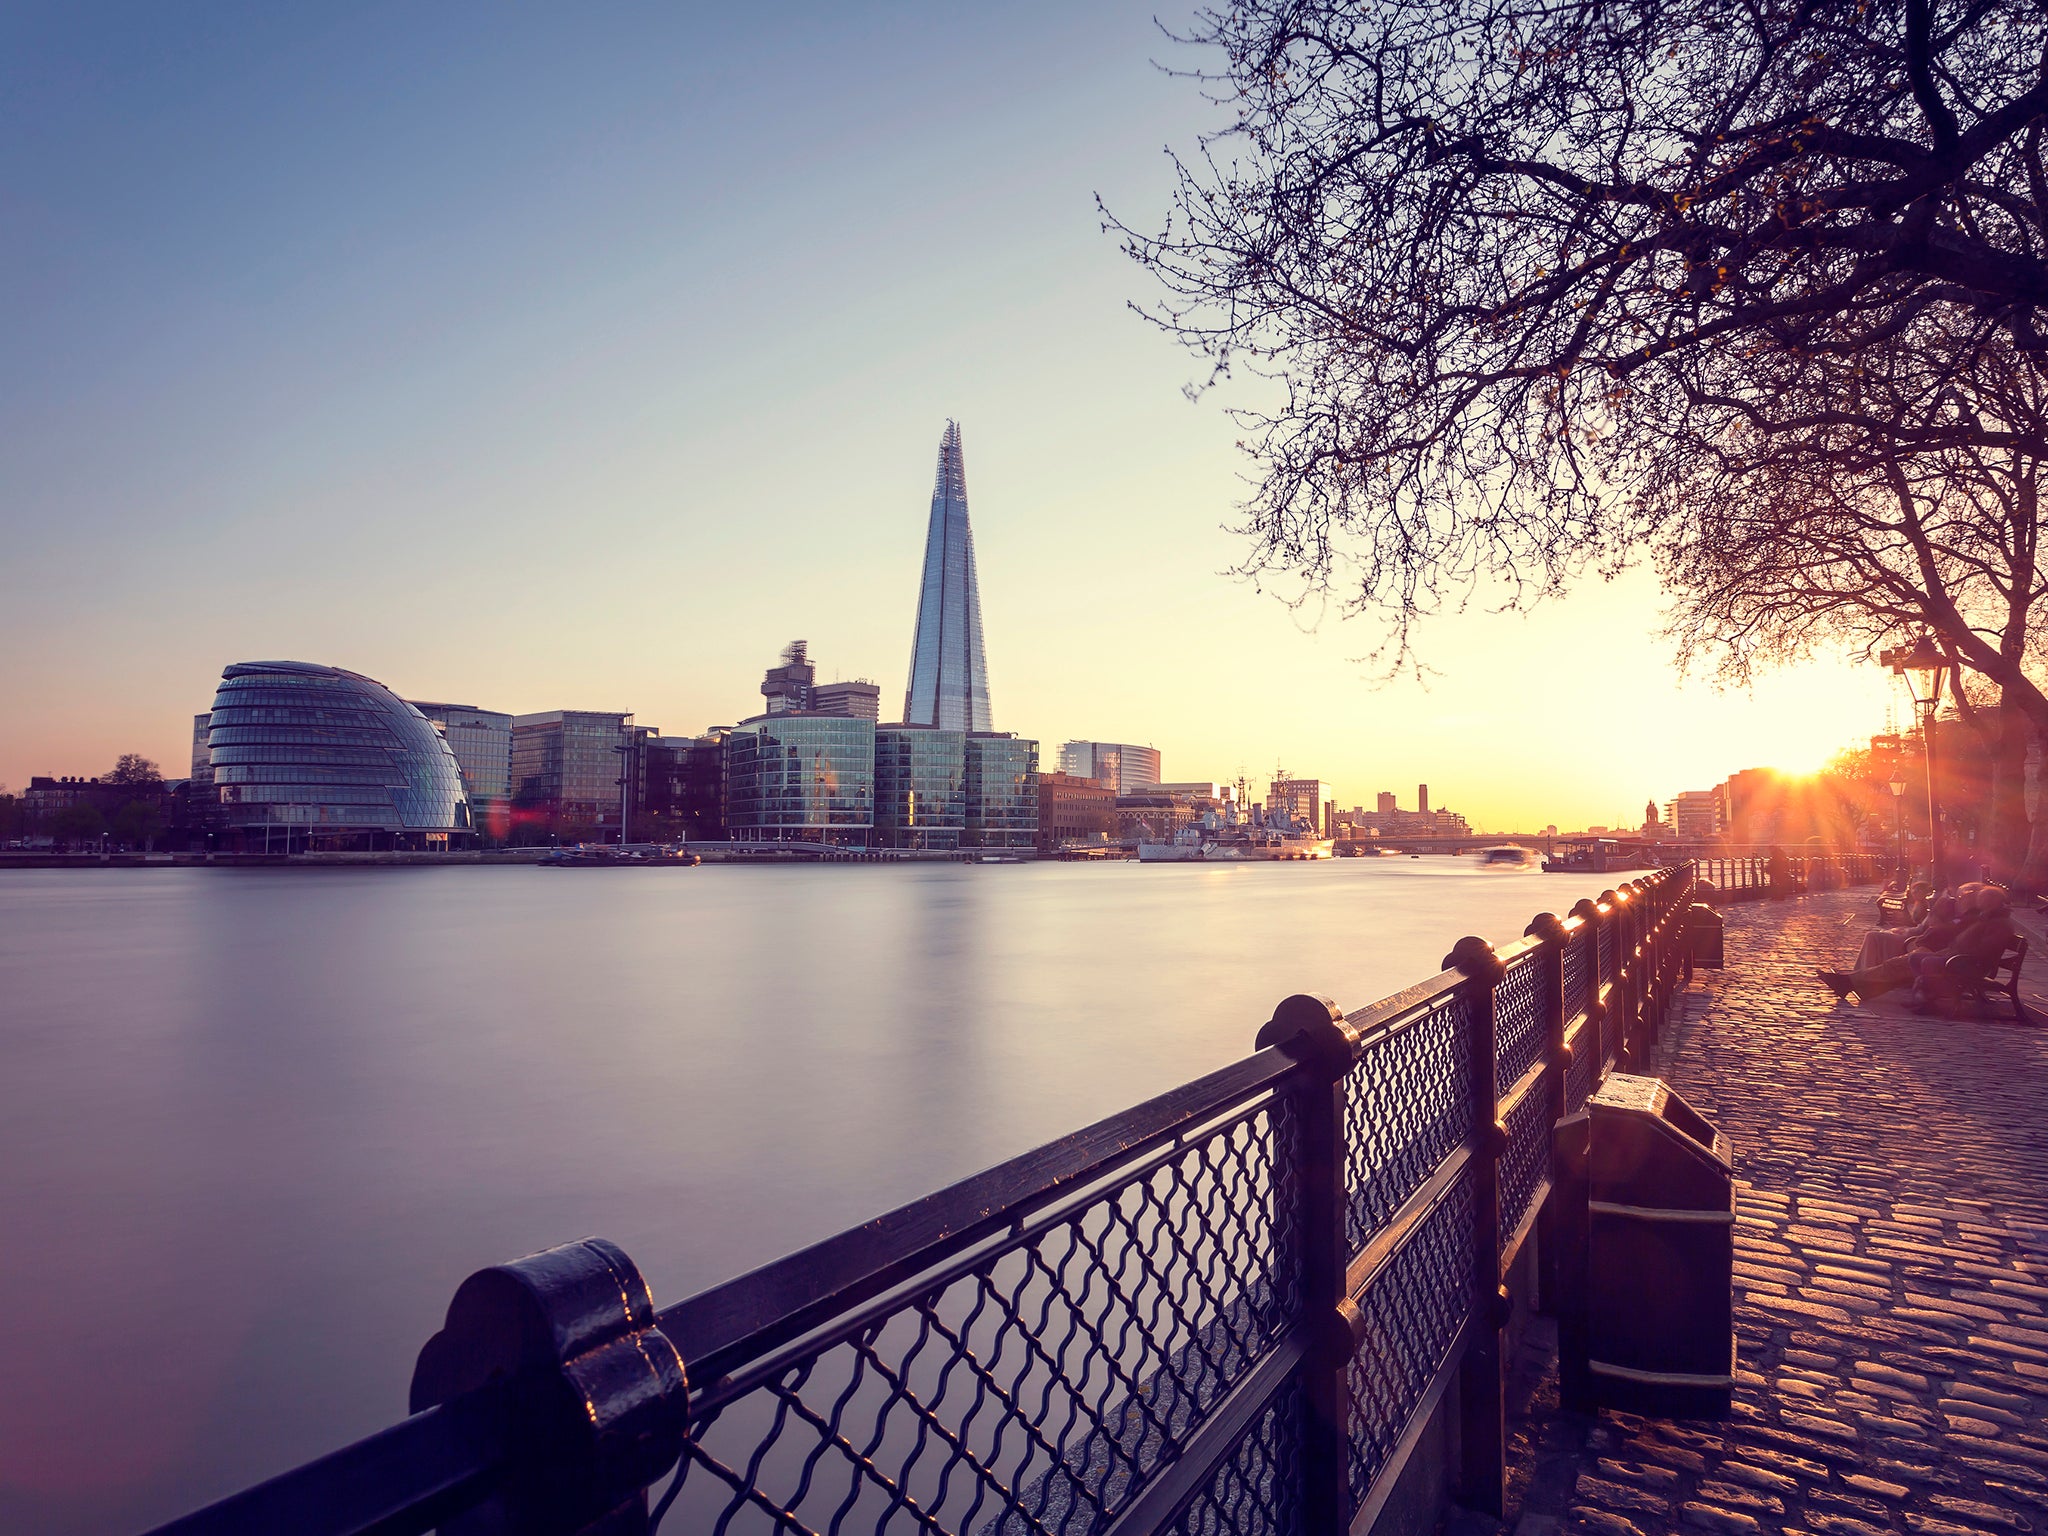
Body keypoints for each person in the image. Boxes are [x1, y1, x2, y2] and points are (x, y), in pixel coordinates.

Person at [1819, 884, 2016, 1006]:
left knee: (1899, 965)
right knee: (1898, 966)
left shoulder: (1998, 925)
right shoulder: (1990, 921)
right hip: (1953, 956)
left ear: (1990, 905)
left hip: (1963, 963)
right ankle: (1852, 983)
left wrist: (1949, 953)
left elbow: (1980, 952)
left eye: (1981, 904)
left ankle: (1849, 982)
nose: (1978, 908)